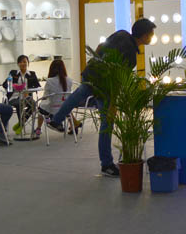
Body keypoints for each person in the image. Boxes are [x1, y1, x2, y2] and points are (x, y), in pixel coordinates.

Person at [47, 18, 156, 177]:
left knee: (78, 94)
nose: (152, 37)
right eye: (151, 34)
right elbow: (117, 81)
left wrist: (94, 63)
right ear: (144, 35)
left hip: (92, 73)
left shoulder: (121, 34)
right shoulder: (131, 56)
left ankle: (56, 119)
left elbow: (100, 46)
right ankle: (106, 164)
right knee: (107, 125)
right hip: (105, 86)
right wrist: (113, 104)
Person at [33, 59, 79, 137]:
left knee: (40, 107)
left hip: (52, 109)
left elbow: (45, 97)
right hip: (64, 108)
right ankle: (72, 125)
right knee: (66, 107)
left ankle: (38, 128)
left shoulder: (49, 81)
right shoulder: (69, 80)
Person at [2, 55, 41, 133]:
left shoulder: (32, 74)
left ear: (28, 63)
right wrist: (12, 86)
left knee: (33, 104)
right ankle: (21, 125)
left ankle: (21, 124)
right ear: (18, 64)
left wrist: (28, 91)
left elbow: (37, 86)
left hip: (26, 97)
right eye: (21, 62)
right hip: (14, 97)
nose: (23, 63)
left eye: (24, 62)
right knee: (20, 103)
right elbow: (5, 84)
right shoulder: (13, 73)